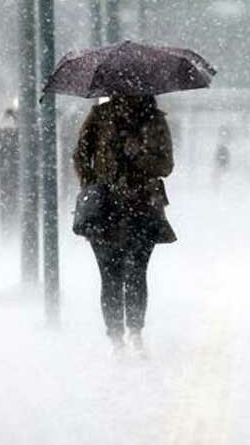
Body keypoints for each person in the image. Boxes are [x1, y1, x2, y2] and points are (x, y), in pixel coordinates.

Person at [73, 95, 176, 357]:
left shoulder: (155, 120)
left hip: (142, 206)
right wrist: (93, 185)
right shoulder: (100, 117)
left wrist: (139, 154)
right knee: (110, 275)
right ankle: (116, 337)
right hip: (105, 209)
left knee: (137, 272)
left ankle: (135, 332)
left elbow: (166, 165)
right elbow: (80, 155)